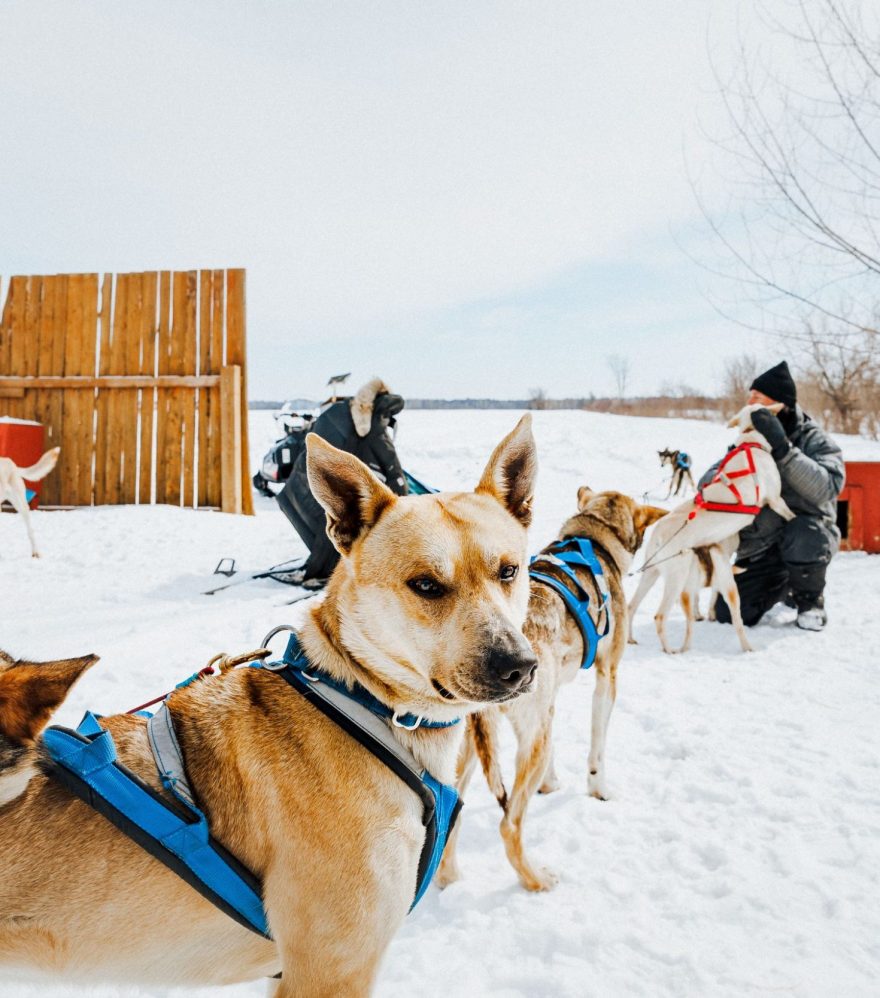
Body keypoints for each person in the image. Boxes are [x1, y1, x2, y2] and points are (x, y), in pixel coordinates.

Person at [708, 361, 845, 631]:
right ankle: (784, 586)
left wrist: (783, 449)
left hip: (807, 539)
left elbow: (827, 487)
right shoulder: (749, 438)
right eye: (749, 396)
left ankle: (809, 602)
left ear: (779, 403)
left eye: (757, 397)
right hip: (762, 545)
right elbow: (710, 478)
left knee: (802, 531)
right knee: (729, 614)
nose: (749, 402)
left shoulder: (815, 439)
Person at [276, 378, 409, 586]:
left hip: (310, 475)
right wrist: (402, 491)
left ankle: (320, 568)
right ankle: (321, 572)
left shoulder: (341, 411)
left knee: (331, 523)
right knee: (337, 525)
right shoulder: (370, 421)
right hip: (329, 475)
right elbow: (387, 456)